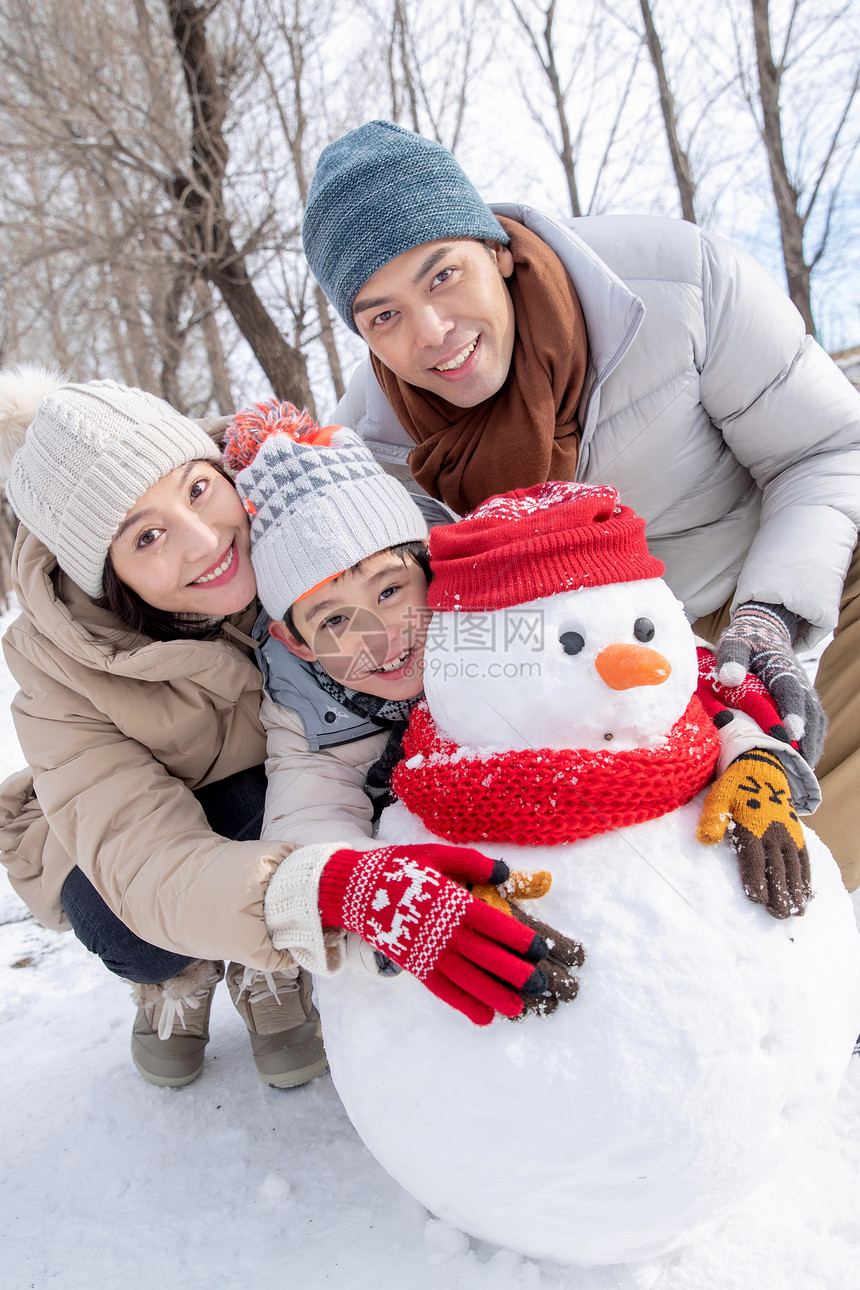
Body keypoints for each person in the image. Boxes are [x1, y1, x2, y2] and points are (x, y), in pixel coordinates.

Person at [300, 119, 860, 891]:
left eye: (442, 275)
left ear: (494, 245)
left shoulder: (680, 285)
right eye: (383, 315)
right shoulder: (376, 448)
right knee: (666, 880)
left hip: (777, 584)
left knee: (799, 840)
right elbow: (410, 619)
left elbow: (829, 449)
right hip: (593, 667)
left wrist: (770, 619)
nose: (433, 334)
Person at [0, 370, 565, 1091]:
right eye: (148, 536)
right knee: (126, 927)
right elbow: (144, 862)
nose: (205, 541)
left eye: (199, 490)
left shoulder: (300, 509)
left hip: (302, 771)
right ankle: (191, 973)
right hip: (148, 836)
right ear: (106, 576)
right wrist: (326, 894)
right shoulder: (58, 663)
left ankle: (266, 942)